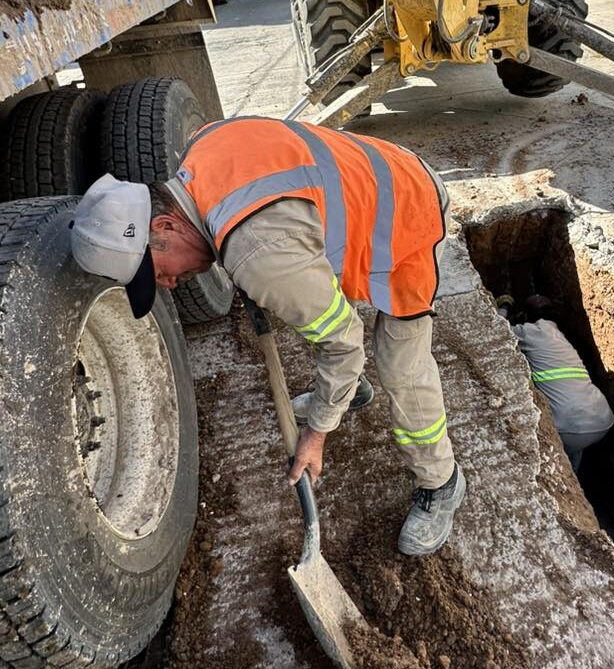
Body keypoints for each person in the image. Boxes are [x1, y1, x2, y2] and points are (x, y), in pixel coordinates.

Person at [68, 117, 464, 556]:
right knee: (309, 302)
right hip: (374, 177)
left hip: (409, 213)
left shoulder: (259, 255)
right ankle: (347, 393)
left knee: (400, 368)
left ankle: (441, 481)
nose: (167, 283)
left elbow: (344, 342)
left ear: (164, 226)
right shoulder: (201, 147)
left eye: (155, 271)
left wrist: (316, 434)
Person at [500, 294, 614, 469]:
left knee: (564, 454)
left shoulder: (531, 333)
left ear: (526, 316)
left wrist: (505, 306)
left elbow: (496, 328)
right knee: (573, 449)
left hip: (570, 425)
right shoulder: (559, 336)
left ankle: (568, 479)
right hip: (601, 418)